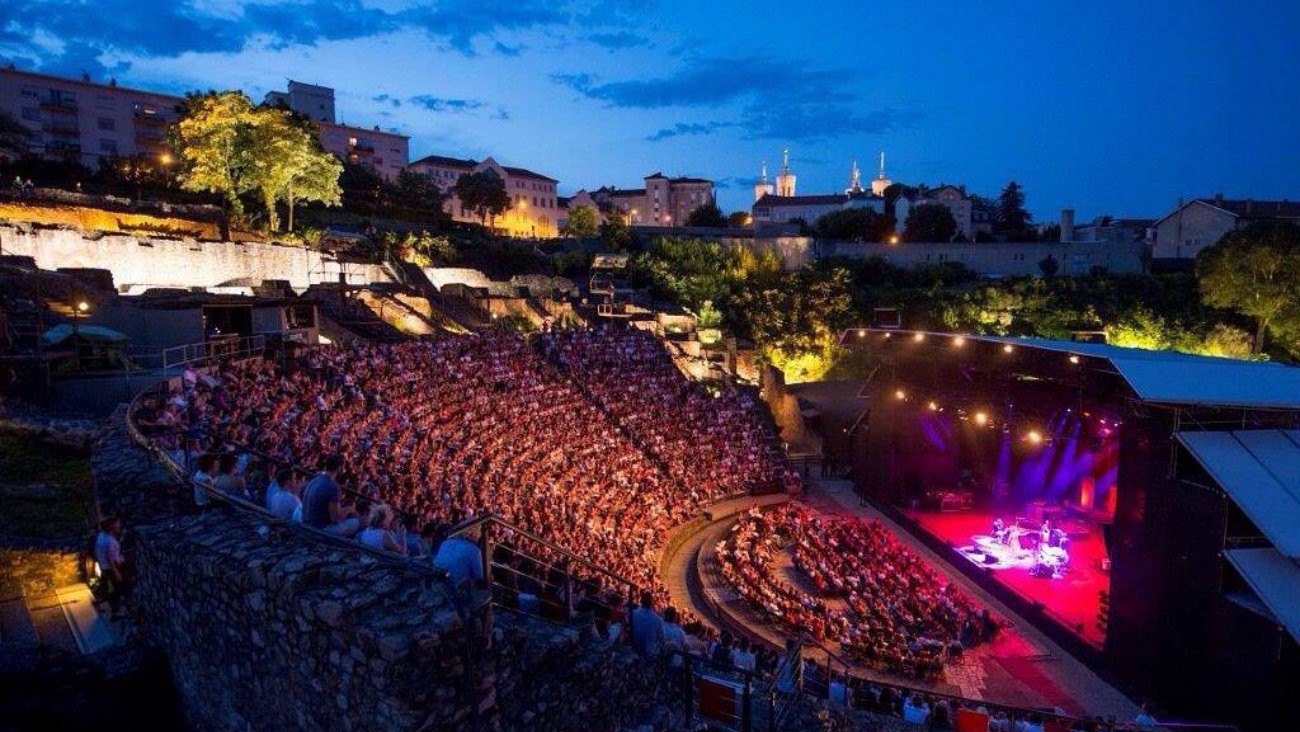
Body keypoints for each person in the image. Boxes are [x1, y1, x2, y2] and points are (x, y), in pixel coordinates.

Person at [301, 454, 358, 537]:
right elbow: (335, 519)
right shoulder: (333, 487)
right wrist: (348, 511)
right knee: (355, 522)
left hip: (306, 523)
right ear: (339, 467)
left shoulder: (315, 479)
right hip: (318, 530)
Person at [93, 516, 128, 617]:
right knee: (117, 589)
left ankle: (101, 600)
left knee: (107, 585)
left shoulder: (100, 536)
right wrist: (117, 573)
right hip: (111, 568)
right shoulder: (110, 542)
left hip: (103, 566)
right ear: (111, 527)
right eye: (117, 526)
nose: (119, 527)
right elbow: (111, 559)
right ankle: (116, 612)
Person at [433, 524, 484, 591]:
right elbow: (478, 577)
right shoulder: (474, 550)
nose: (479, 535)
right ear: (473, 534)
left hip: (436, 585)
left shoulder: (446, 542)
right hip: (456, 590)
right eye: (479, 532)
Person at [629, 590, 666, 657]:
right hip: (649, 653)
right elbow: (662, 639)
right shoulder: (658, 619)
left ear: (641, 601)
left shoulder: (633, 613)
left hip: (633, 647)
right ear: (652, 603)